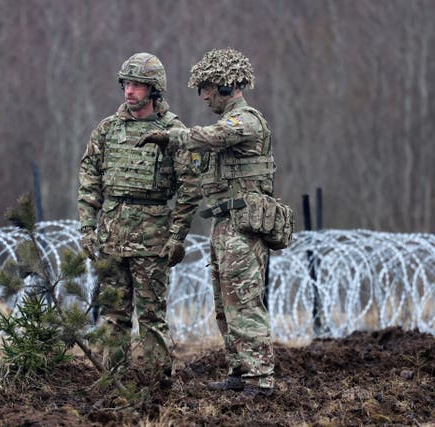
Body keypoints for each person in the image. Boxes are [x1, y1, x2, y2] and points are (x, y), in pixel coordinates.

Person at [137, 48, 293, 397]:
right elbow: (203, 162)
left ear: (225, 86)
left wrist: (172, 137)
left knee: (245, 302)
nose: (204, 96)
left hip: (244, 226)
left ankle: (260, 377)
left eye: (207, 88)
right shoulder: (228, 127)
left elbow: (213, 136)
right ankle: (239, 370)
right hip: (225, 224)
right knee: (225, 306)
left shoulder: (245, 121)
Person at [77, 52, 201, 381]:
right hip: (112, 236)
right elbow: (89, 179)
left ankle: (154, 384)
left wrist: (177, 236)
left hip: (152, 239)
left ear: (154, 90)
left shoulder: (173, 132)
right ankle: (113, 382)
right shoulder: (107, 130)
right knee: (113, 315)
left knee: (151, 317)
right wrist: (88, 228)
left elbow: (191, 186)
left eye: (137, 85)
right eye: (126, 84)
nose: (129, 91)